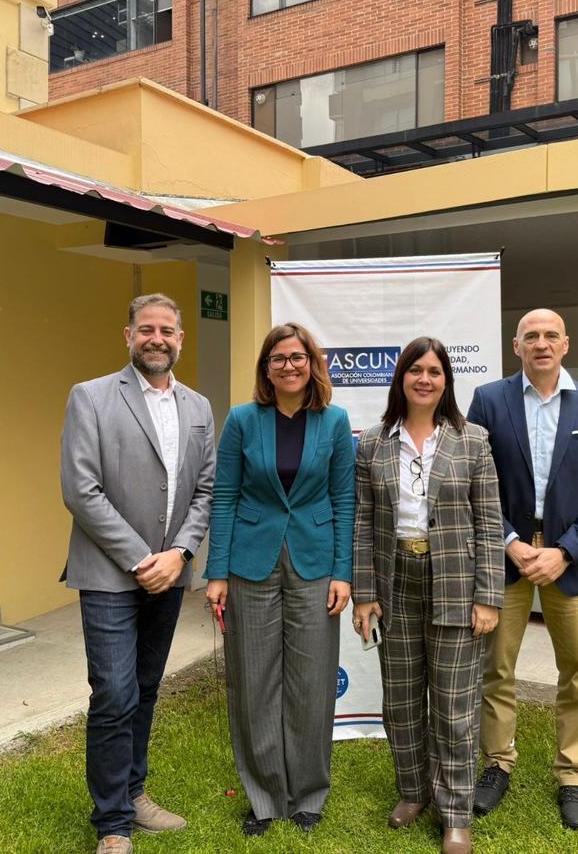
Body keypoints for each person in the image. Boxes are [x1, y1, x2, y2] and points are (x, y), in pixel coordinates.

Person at [60, 293, 215, 854]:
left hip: (169, 574)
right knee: (114, 691)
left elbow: (205, 489)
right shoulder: (92, 397)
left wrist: (179, 553)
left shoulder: (199, 406)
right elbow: (81, 488)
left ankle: (133, 792)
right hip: (108, 573)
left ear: (180, 339)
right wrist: (140, 557)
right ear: (127, 336)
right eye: (146, 329)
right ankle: (111, 823)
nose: (157, 338)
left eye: (167, 330)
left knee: (145, 687)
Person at [467, 309, 578, 831]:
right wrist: (509, 542)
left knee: (576, 672)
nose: (541, 343)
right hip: (503, 556)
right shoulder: (489, 400)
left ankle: (573, 775)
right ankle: (496, 763)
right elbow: (476, 484)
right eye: (531, 336)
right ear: (516, 346)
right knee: (496, 669)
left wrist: (565, 552)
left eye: (551, 335)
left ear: (566, 344)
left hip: (567, 561)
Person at [352, 337, 504, 854]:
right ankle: (413, 790)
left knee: (455, 704)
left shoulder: (473, 440)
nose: (424, 379)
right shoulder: (372, 442)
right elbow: (362, 524)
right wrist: (364, 593)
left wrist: (488, 596)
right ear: (400, 378)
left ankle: (456, 813)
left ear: (446, 381)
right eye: (415, 370)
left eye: (434, 371)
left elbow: (488, 523)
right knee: (400, 699)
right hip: (395, 581)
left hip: (456, 584)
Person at [204, 322, 355, 837]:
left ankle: (309, 794)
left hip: (315, 564)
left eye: (297, 357)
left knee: (312, 684)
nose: (288, 366)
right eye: (278, 359)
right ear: (266, 369)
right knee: (255, 680)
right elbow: (225, 496)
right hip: (250, 562)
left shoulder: (334, 422)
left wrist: (343, 573)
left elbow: (344, 501)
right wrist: (217, 571)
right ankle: (265, 797)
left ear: (312, 363)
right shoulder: (243, 421)